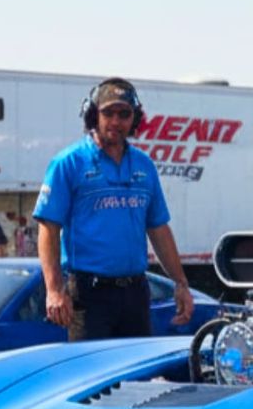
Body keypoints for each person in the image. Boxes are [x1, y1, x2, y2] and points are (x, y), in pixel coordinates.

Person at [34, 77, 194, 341]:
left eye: (124, 114)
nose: (116, 121)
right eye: (108, 113)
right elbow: (48, 228)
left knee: (138, 367)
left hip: (135, 293)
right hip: (89, 295)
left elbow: (158, 228)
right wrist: (53, 290)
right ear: (93, 115)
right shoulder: (69, 163)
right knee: (93, 367)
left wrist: (181, 283)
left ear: (135, 118)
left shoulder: (144, 165)